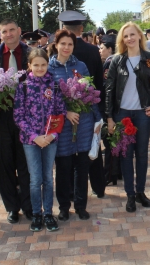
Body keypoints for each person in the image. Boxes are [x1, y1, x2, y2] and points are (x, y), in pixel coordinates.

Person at [105, 22, 150, 212]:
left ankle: (140, 192)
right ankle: (130, 194)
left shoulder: (149, 58)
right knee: (126, 155)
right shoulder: (117, 60)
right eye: (125, 36)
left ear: (139, 35)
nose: (129, 38)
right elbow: (110, 90)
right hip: (122, 114)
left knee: (142, 155)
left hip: (143, 114)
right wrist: (110, 117)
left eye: (132, 34)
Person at [48, 29, 103, 221]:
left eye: (70, 44)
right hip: (62, 126)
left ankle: (81, 205)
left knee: (82, 166)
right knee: (63, 166)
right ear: (56, 45)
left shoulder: (81, 66)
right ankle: (64, 206)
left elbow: (91, 91)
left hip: (84, 122)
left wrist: (98, 120)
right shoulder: (48, 68)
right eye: (63, 44)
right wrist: (65, 112)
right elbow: (47, 100)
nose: (66, 47)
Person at [0, 19, 33, 224]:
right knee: (4, 164)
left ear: (19, 31)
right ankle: (12, 207)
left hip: (26, 117)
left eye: (12, 30)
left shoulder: (31, 54)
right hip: (2, 117)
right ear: (0, 35)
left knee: (26, 163)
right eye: (5, 31)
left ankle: (28, 205)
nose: (9, 34)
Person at [58, 10, 106, 198]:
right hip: (89, 108)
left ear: (64, 28)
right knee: (92, 150)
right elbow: (99, 83)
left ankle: (70, 190)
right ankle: (98, 187)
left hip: (67, 111)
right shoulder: (93, 50)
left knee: (68, 153)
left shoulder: (57, 49)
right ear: (82, 28)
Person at [13, 49, 62, 232]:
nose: (40, 68)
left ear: (47, 65)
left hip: (50, 139)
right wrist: (34, 136)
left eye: (43, 64)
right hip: (30, 141)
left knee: (48, 178)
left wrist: (52, 135)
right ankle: (36, 214)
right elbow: (19, 116)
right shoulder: (23, 87)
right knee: (35, 180)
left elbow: (60, 112)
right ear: (29, 66)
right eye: (36, 65)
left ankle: (48, 213)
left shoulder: (54, 86)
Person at [99, 34, 120, 186]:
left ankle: (109, 174)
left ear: (110, 48)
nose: (100, 51)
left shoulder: (110, 62)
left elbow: (107, 87)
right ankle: (117, 172)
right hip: (121, 106)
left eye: (102, 48)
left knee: (110, 141)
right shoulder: (121, 58)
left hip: (111, 107)